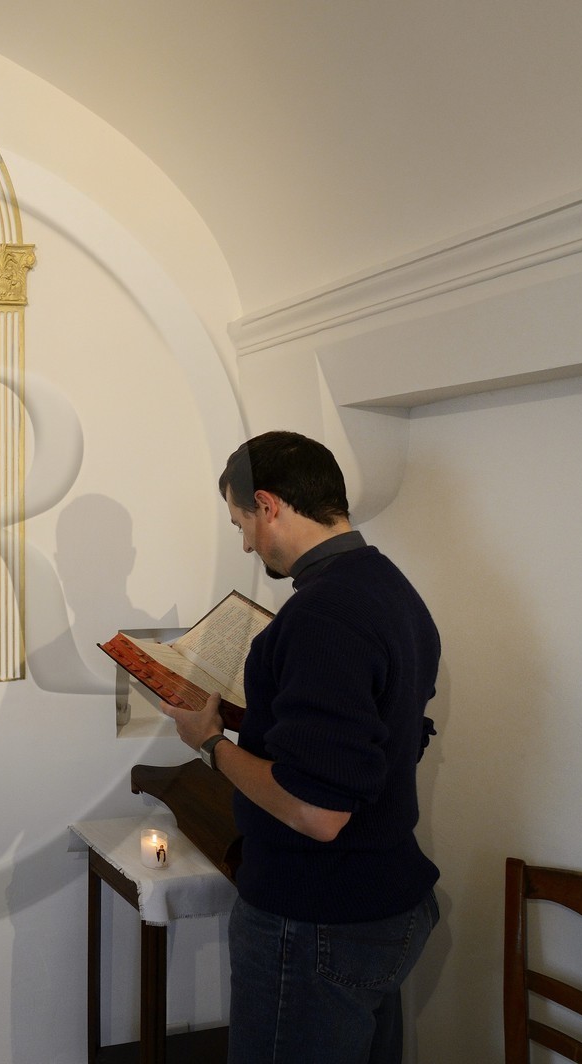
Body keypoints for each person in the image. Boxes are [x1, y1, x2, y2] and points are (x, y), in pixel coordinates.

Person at [158, 431, 441, 1064]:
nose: (245, 543)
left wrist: (209, 742)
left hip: (318, 916)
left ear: (268, 504)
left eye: (241, 523)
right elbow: (372, 730)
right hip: (382, 897)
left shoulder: (322, 614)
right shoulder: (389, 585)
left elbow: (318, 812)